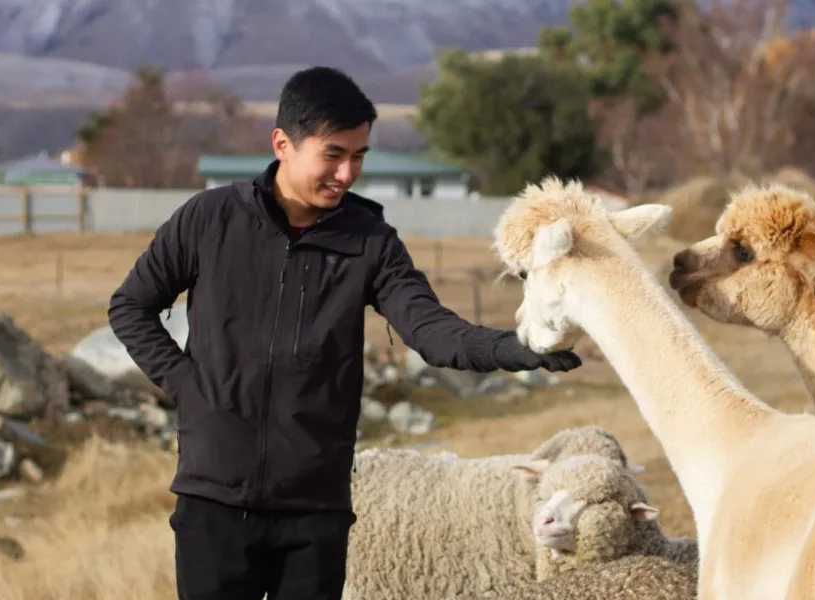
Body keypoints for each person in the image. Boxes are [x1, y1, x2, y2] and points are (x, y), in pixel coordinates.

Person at [106, 66, 582, 600]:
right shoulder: (209, 219)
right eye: (333, 154)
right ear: (283, 144)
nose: (348, 172)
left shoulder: (371, 242)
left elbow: (430, 330)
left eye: (358, 157)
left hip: (315, 511)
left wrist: (518, 348)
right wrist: (190, 388)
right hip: (213, 498)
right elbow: (130, 307)